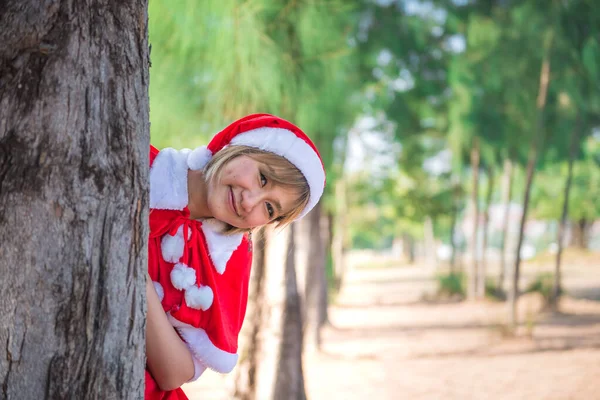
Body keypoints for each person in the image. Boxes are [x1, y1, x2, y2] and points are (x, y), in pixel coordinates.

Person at [144, 113, 325, 399]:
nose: (249, 202)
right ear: (237, 147)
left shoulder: (228, 263)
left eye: (269, 209)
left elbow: (172, 374)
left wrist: (137, 281)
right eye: (262, 178)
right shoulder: (138, 162)